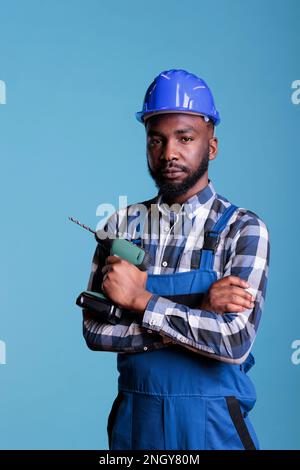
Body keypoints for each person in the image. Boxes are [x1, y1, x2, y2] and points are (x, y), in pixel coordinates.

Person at [82, 69, 270, 450]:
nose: (169, 152)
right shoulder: (119, 225)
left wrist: (140, 301)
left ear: (211, 147)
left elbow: (234, 341)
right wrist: (200, 310)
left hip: (214, 426)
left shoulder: (244, 229)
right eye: (157, 140)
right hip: (137, 425)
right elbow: (96, 331)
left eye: (185, 138)